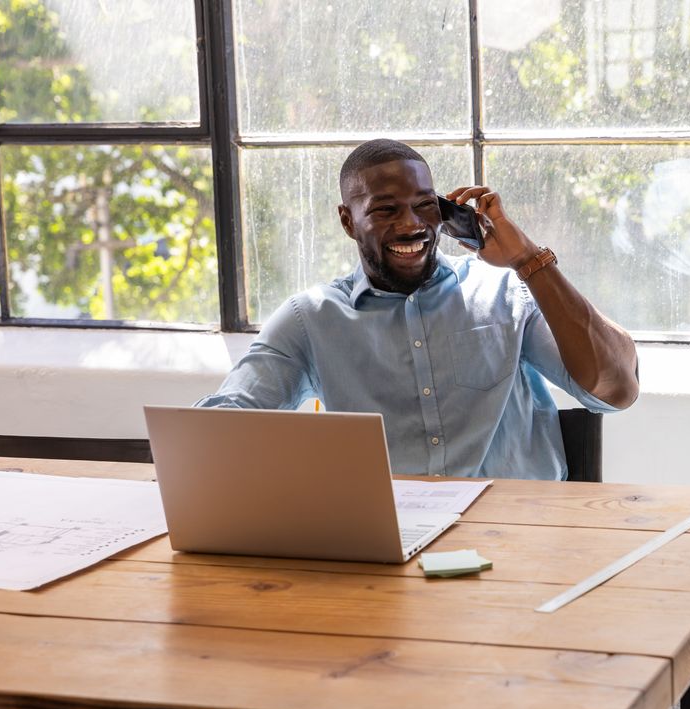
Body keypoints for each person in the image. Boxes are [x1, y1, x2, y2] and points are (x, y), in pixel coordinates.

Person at [198, 139, 639, 480]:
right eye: (385, 210)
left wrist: (528, 259)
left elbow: (615, 389)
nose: (411, 225)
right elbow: (222, 426)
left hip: (522, 534)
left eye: (424, 206)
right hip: (394, 545)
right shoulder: (311, 319)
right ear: (348, 221)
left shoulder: (506, 292)